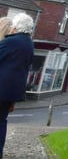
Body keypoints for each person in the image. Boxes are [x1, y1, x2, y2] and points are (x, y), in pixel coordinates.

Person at [0, 14, 35, 159]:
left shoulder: (11, 42)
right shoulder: (29, 43)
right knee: (1, 121)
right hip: (12, 92)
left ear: (16, 27)